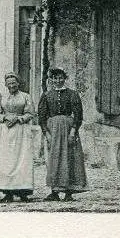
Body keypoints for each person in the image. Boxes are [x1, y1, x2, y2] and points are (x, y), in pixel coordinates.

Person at [37, 67, 88, 201]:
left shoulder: (72, 94)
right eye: (55, 78)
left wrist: (73, 130)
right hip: (52, 129)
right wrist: (46, 133)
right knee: (54, 159)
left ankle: (69, 192)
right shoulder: (47, 95)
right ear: (51, 80)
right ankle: (54, 191)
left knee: (70, 158)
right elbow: (41, 116)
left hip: (68, 128)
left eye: (60, 78)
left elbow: (78, 114)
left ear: (64, 79)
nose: (58, 80)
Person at [0, 72, 36, 201]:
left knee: (22, 160)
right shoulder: (1, 96)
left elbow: (30, 113)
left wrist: (19, 118)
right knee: (6, 161)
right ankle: (7, 192)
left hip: (21, 131)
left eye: (13, 83)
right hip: (5, 130)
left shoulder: (25, 96)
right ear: (5, 84)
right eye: (9, 83)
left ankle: (23, 192)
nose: (11, 85)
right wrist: (5, 117)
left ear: (18, 83)